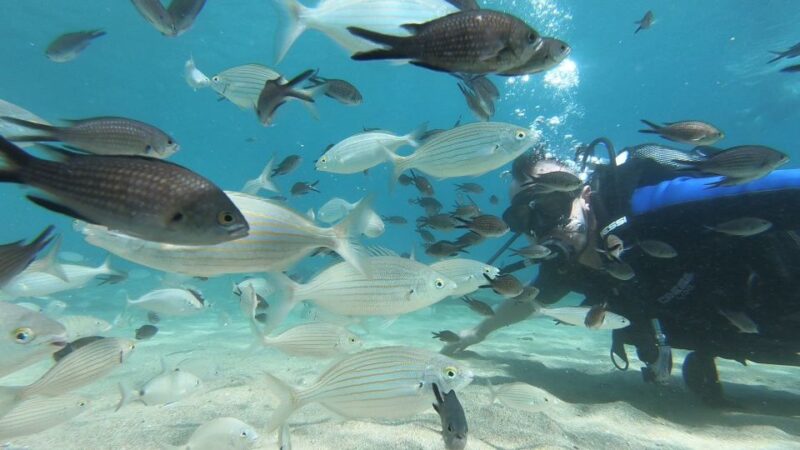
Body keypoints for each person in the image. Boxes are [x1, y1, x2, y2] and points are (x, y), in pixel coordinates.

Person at [440, 139, 800, 405]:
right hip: (753, 334)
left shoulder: (650, 205)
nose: (544, 225)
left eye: (550, 204)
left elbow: (782, 188)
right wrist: (475, 332)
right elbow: (529, 301)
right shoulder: (569, 265)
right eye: (526, 217)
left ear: (582, 194)